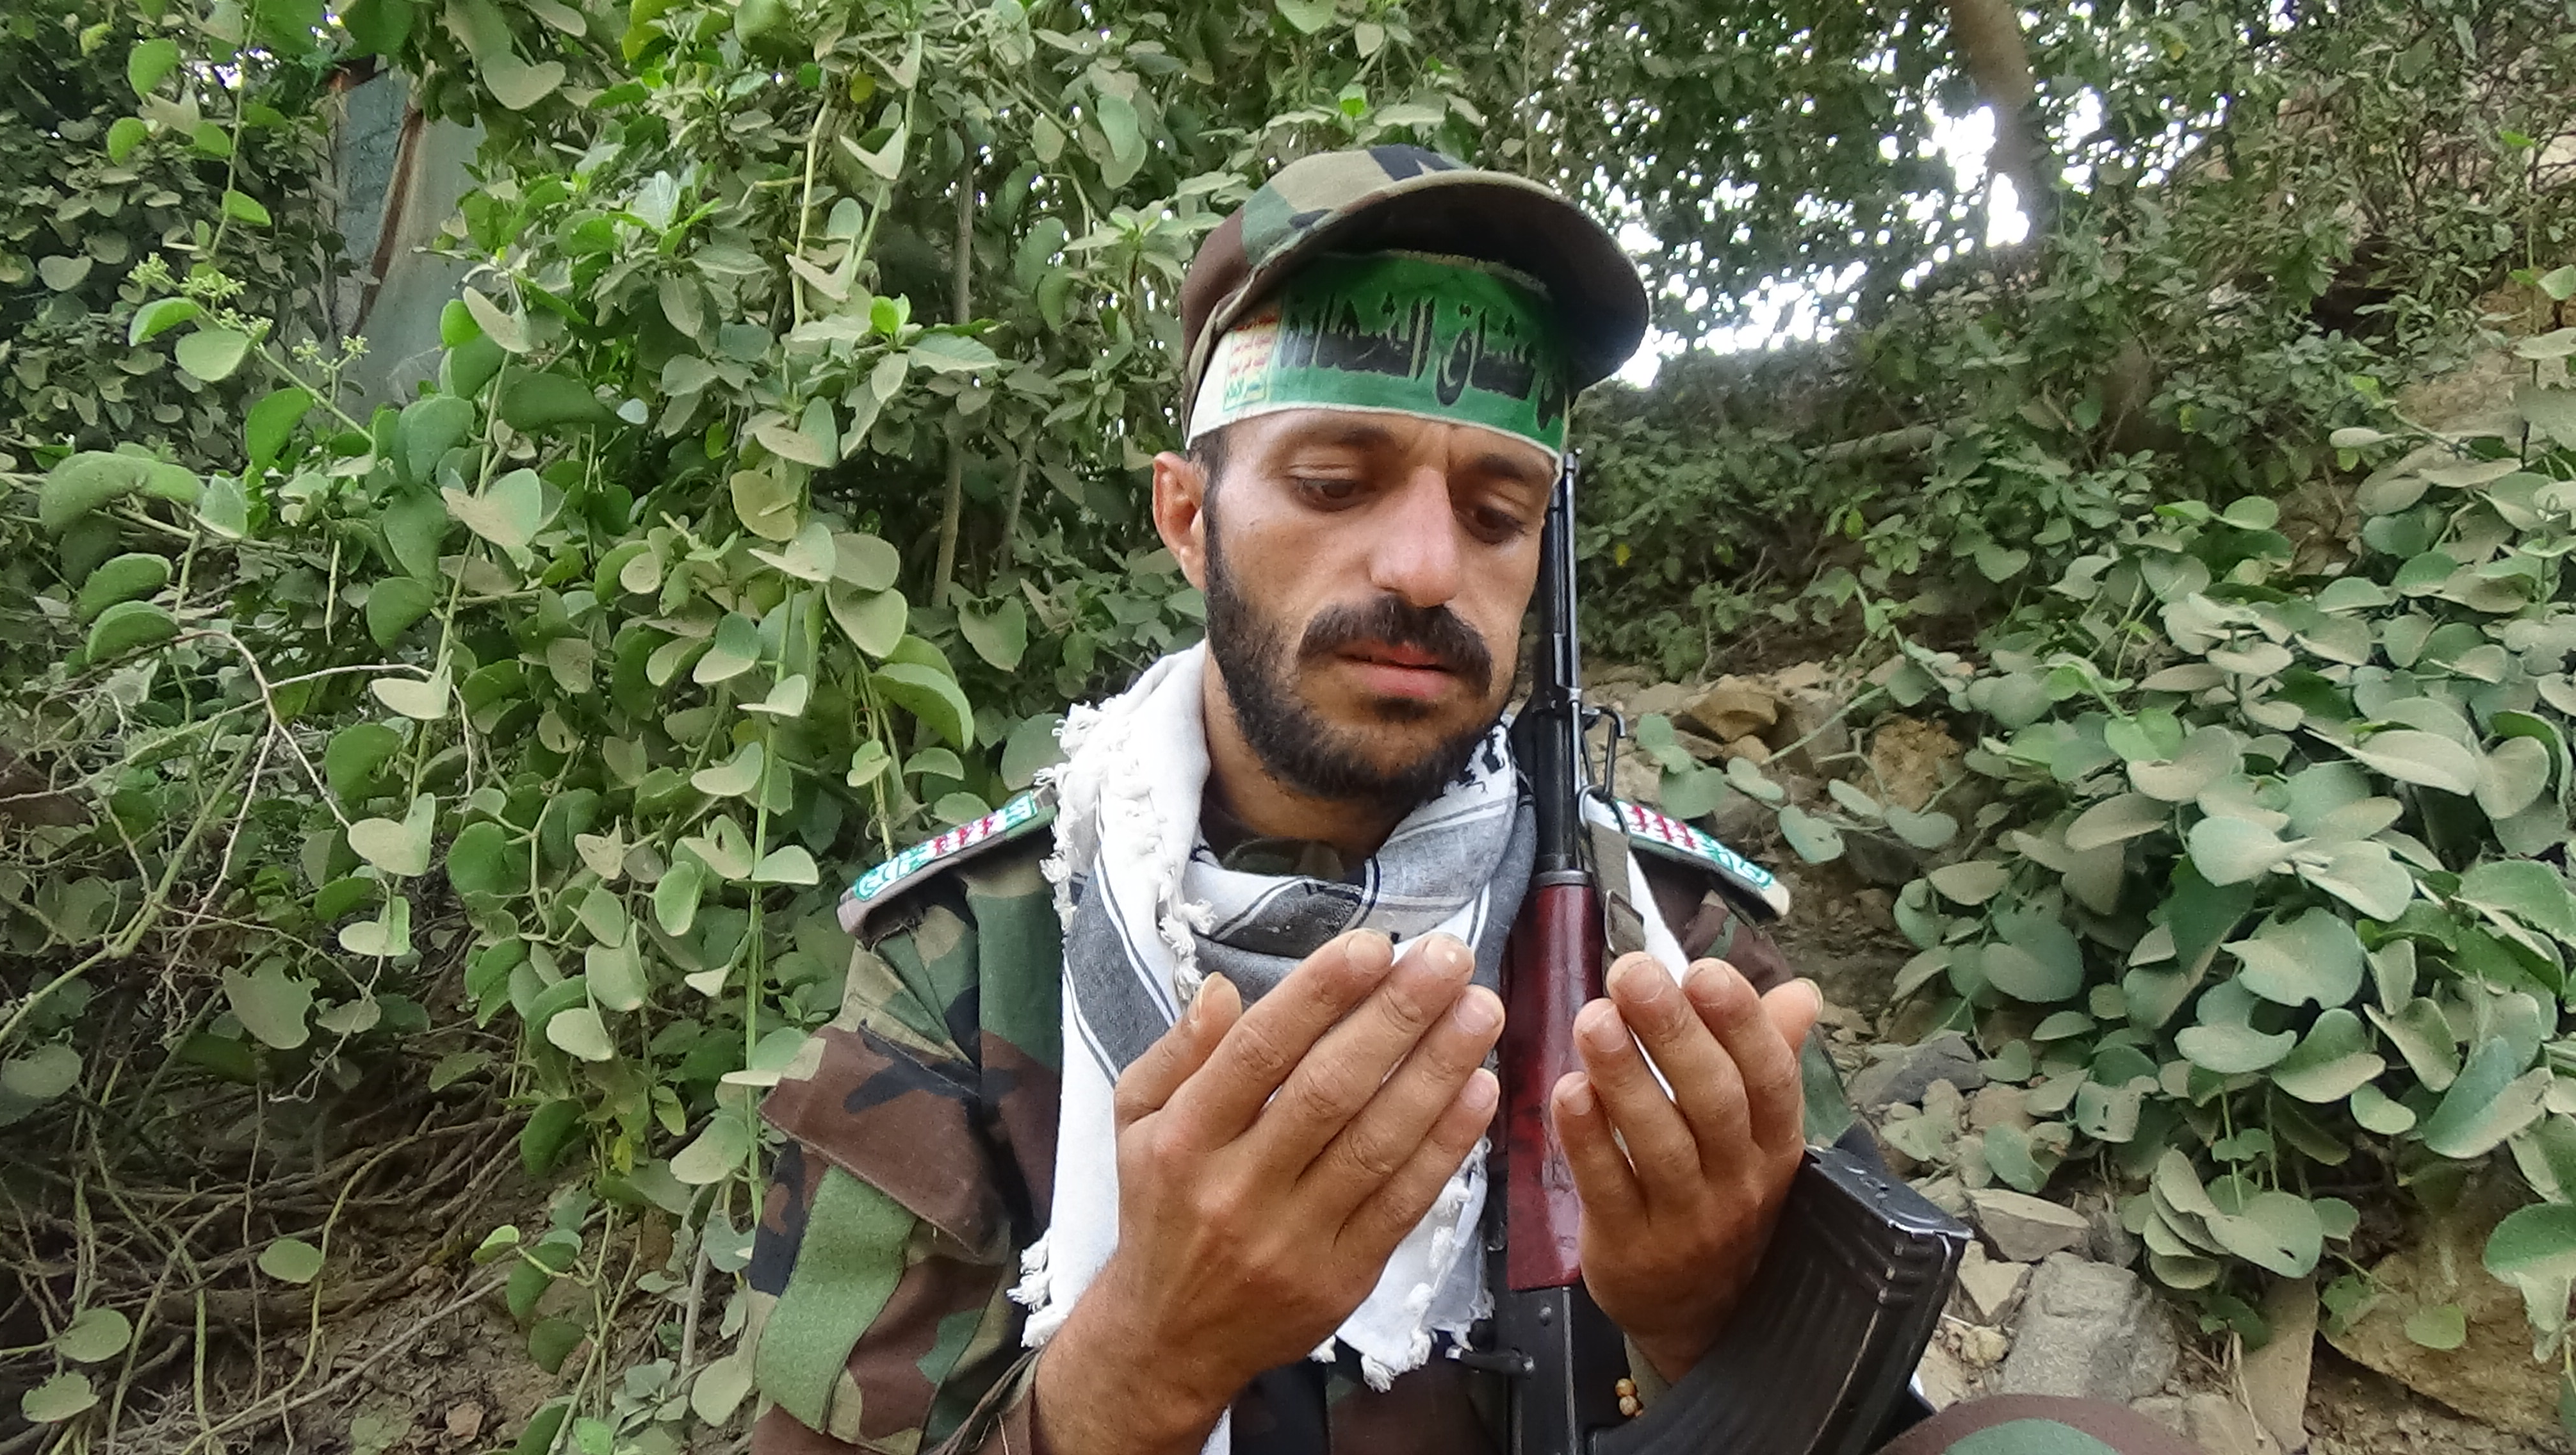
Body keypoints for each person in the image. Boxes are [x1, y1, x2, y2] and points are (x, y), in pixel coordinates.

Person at [746, 146, 2201, 1455]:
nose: (1428, 569)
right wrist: (1141, 1360)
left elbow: (1844, 1415)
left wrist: (1698, 1313)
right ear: (1189, 519)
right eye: (1334, 482)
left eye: (1499, 513)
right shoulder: (977, 951)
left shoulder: (1663, 940)